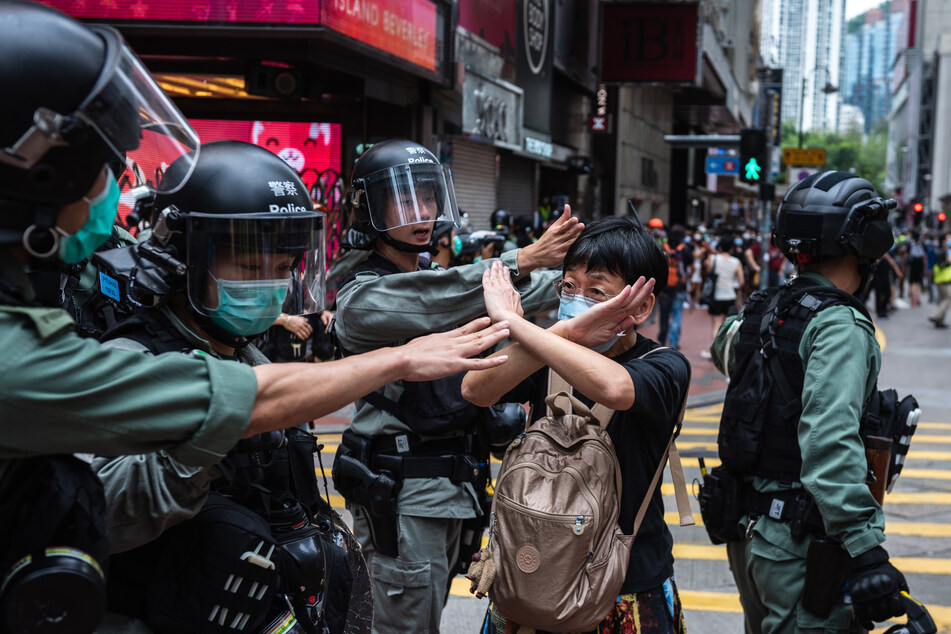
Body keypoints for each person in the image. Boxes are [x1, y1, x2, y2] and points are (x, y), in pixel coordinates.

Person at [0, 7, 509, 633]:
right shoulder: (69, 351)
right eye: (245, 261)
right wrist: (399, 359)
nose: (269, 281)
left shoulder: (241, 347)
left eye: (282, 261)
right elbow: (191, 440)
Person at [330, 139, 582, 634]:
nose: (421, 212)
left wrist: (586, 284)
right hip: (403, 493)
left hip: (453, 488)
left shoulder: (439, 278)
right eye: (403, 200)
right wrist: (523, 257)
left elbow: (505, 295)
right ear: (370, 209)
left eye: (426, 198)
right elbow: (438, 298)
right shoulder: (361, 294)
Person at [461, 216, 691, 634]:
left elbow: (616, 389)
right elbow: (476, 388)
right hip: (531, 573)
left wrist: (518, 324)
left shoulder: (666, 366)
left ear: (640, 306)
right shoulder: (549, 348)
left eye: (597, 291)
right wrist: (562, 333)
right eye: (569, 287)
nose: (577, 300)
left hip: (625, 583)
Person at [710, 172, 912, 633]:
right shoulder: (840, 326)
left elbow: (729, 356)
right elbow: (828, 440)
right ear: (865, 241)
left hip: (749, 533)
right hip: (800, 541)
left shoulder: (763, 308)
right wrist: (865, 549)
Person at [702, 234, 744, 355]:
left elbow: (707, 270)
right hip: (730, 296)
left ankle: (714, 353)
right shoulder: (736, 262)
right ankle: (726, 352)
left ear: (720, 246)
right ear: (732, 247)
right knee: (729, 325)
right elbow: (741, 282)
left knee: (716, 325)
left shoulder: (713, 259)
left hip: (716, 296)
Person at [657, 224, 693, 349]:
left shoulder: (663, 248)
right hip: (679, 287)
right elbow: (691, 267)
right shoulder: (685, 249)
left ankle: (662, 338)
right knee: (677, 314)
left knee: (664, 314)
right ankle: (673, 342)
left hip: (664, 287)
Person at [928, 235, 951, 328]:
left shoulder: (945, 251)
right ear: (943, 241)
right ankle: (936, 315)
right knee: (948, 299)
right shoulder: (941, 252)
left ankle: (940, 321)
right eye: (947, 239)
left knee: (943, 300)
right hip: (942, 280)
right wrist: (949, 261)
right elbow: (941, 265)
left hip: (945, 280)